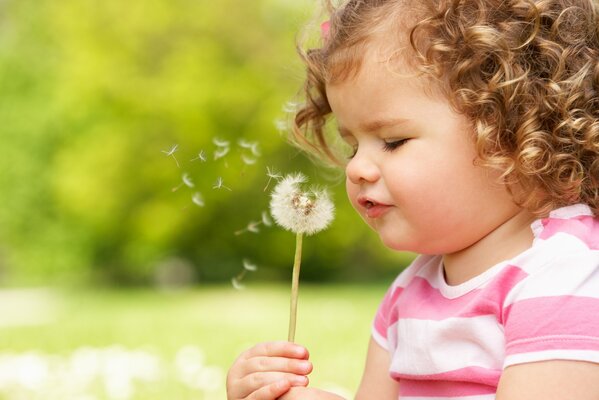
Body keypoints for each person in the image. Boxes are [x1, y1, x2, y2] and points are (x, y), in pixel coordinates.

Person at [227, 0, 599, 398]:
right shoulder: (409, 292)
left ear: (513, 129)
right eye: (353, 146)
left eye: (392, 141)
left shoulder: (568, 276)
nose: (356, 169)